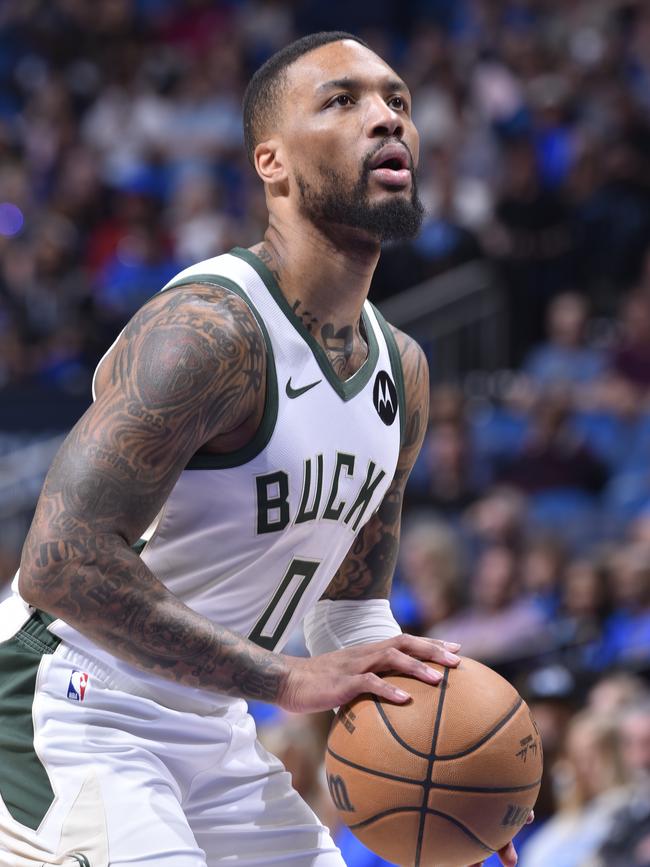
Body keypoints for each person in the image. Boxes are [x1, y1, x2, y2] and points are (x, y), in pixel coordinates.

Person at [0, 32, 527, 867]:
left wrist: (454, 761)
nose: (386, 118)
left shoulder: (404, 371)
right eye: (342, 101)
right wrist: (286, 682)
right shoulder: (207, 330)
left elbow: (348, 612)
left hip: (213, 726)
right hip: (67, 709)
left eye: (397, 100)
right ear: (271, 164)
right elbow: (60, 564)